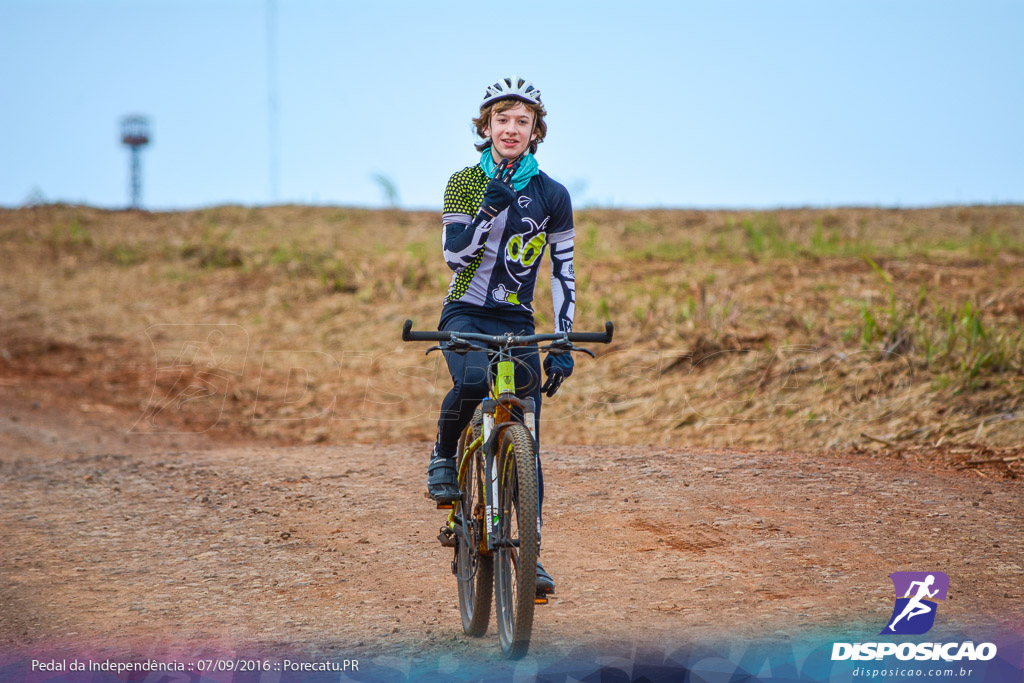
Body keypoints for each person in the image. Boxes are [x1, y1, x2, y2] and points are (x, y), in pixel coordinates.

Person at [426, 75, 577, 594]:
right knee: (471, 381)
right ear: (485, 126)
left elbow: (562, 272)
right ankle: (445, 454)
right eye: (501, 120)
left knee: (527, 439)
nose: (511, 129)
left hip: (516, 321)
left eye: (522, 121)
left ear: (536, 130)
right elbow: (453, 257)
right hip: (465, 312)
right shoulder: (464, 182)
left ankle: (529, 553)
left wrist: (561, 341)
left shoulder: (552, 194)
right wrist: (487, 214)